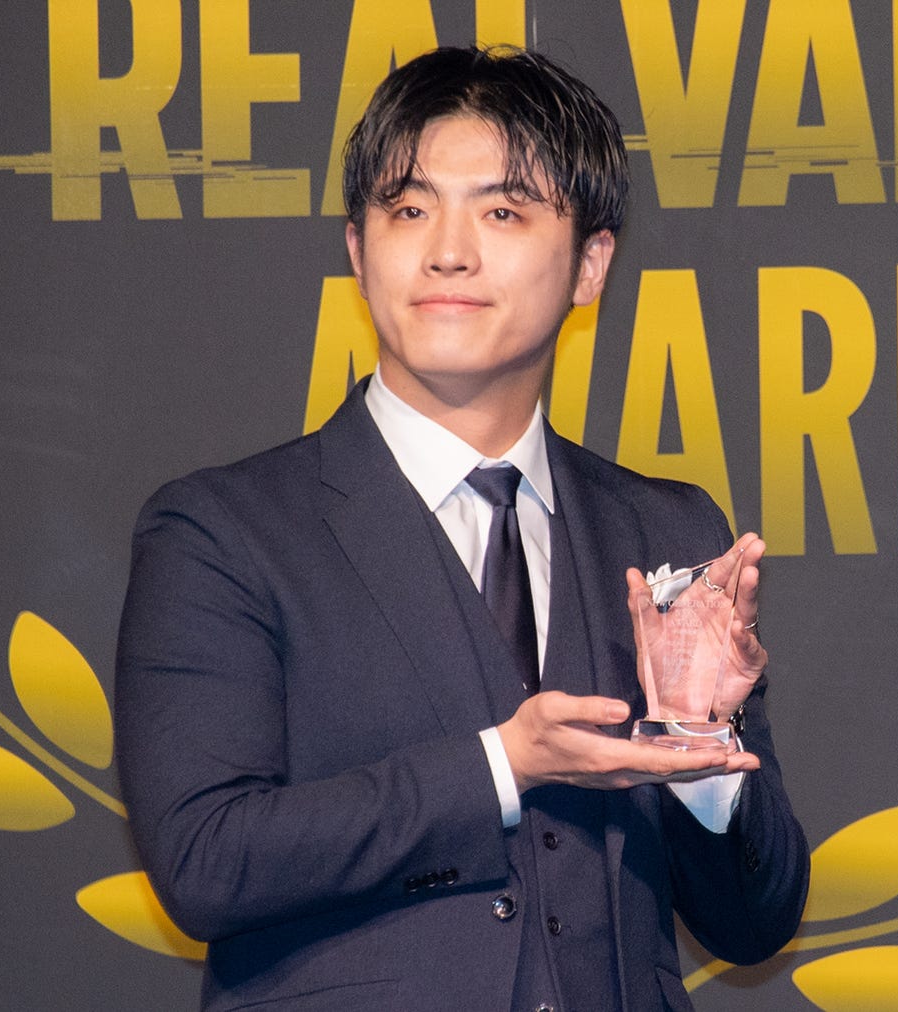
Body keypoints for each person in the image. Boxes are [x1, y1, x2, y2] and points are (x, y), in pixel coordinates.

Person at [115, 44, 809, 1012]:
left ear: (590, 264)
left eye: (502, 212)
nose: (448, 250)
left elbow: (754, 921)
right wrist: (501, 767)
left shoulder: (664, 527)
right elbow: (206, 860)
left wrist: (702, 740)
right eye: (408, 210)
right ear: (358, 250)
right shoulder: (223, 532)